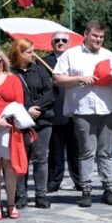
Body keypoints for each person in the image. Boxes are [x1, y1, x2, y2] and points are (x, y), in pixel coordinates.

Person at [52, 20, 112, 207]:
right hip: (83, 109)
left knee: (106, 152)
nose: (98, 40)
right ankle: (86, 190)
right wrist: (78, 78)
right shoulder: (70, 54)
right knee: (86, 151)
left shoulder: (109, 56)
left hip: (106, 108)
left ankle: (109, 189)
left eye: (101, 37)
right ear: (86, 34)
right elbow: (57, 78)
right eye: (95, 36)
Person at [8, 38, 54, 209]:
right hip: (20, 121)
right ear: (19, 53)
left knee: (41, 158)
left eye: (34, 50)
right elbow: (9, 96)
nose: (33, 54)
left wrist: (37, 108)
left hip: (42, 120)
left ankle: (41, 195)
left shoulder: (40, 70)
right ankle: (21, 195)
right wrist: (27, 110)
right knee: (22, 159)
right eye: (29, 52)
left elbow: (50, 92)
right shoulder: (11, 73)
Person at [46, 33, 81, 193]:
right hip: (55, 110)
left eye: (63, 40)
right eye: (57, 40)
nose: (60, 42)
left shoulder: (76, 59)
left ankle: (80, 180)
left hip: (75, 109)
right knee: (55, 151)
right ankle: (54, 181)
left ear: (69, 43)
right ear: (52, 43)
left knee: (76, 150)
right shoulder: (45, 62)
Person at [0, 48, 25, 219]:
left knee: (9, 167)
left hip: (10, 129)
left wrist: (6, 122)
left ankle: (11, 203)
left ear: (4, 62)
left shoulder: (13, 80)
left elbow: (20, 104)